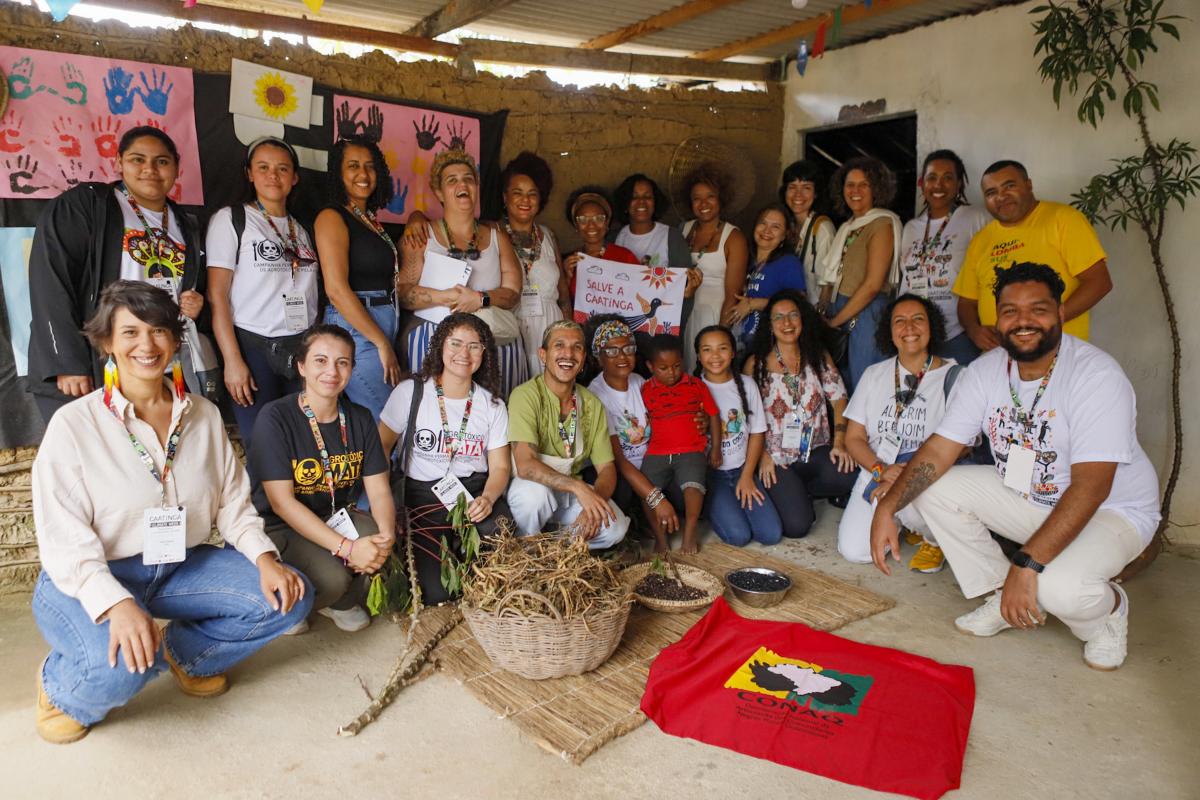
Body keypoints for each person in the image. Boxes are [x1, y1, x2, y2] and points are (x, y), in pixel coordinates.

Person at [30, 281, 309, 744]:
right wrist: (117, 603)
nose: (147, 345)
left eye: (159, 331)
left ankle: (184, 656)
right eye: (131, 333)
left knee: (289, 597)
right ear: (107, 342)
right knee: (123, 668)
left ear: (176, 340)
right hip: (93, 574)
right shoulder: (74, 424)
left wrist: (265, 558)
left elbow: (234, 503)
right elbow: (64, 538)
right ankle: (60, 685)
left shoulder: (201, 414)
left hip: (181, 564)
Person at [871, 263, 1159, 671]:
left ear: (1060, 314)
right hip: (1030, 495)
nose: (1023, 321)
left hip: (1111, 511)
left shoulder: (1096, 376)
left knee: (1061, 590)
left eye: (1037, 309)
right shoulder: (986, 371)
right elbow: (939, 450)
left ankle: (1108, 613)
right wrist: (888, 508)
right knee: (930, 488)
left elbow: (1092, 487)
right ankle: (999, 589)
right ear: (997, 319)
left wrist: (1027, 566)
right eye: (1010, 311)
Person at [27, 126, 207, 422]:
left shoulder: (184, 223)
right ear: (119, 162)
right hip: (97, 360)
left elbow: (189, 286)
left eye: (162, 161)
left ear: (176, 168)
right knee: (94, 459)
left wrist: (196, 306)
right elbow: (50, 280)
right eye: (138, 159)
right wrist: (68, 362)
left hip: (156, 360)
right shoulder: (88, 205)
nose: (150, 169)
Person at [250, 325, 395, 633]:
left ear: (352, 369)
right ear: (301, 366)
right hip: (278, 526)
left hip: (331, 516)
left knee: (374, 534)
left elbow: (379, 490)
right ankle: (293, 603)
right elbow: (281, 503)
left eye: (342, 362)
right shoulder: (276, 417)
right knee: (334, 575)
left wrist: (386, 538)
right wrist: (347, 549)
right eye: (320, 360)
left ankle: (336, 601)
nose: (332, 370)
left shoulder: (360, 418)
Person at [379, 313, 513, 605]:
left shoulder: (491, 405)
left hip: (473, 490)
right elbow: (381, 450)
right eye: (455, 343)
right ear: (440, 346)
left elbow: (500, 466)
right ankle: (447, 551)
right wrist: (387, 505)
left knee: (499, 529)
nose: (464, 353)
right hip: (422, 494)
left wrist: (488, 498)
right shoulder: (410, 392)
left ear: (484, 353)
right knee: (437, 592)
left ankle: (463, 551)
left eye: (474, 346)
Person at [207, 136, 320, 447]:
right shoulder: (232, 219)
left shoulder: (303, 228)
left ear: (294, 177)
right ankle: (261, 498)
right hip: (253, 347)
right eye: (264, 167)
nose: (273, 175)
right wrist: (232, 360)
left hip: (300, 348)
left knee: (302, 443)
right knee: (263, 445)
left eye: (283, 168)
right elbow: (217, 296)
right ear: (249, 173)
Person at [838, 294, 963, 571]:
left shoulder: (955, 376)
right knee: (855, 550)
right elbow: (854, 438)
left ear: (932, 327)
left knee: (911, 497)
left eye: (918, 319)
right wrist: (880, 469)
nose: (909, 328)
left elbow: (963, 445)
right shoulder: (874, 374)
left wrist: (908, 471)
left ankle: (932, 537)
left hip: (927, 473)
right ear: (890, 332)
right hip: (877, 468)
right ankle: (903, 520)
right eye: (900, 321)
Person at [397, 150, 527, 398]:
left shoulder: (498, 238)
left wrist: (480, 298)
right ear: (439, 193)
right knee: (435, 414)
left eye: (468, 178)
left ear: (476, 186)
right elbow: (402, 292)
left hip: (492, 341)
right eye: (452, 180)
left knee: (494, 414)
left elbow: (512, 293)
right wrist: (446, 297)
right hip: (433, 340)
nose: (462, 184)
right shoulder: (422, 236)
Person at [954, 160, 1112, 351]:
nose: (1001, 197)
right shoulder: (981, 240)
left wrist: (1046, 323)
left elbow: (1099, 282)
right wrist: (974, 330)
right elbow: (966, 302)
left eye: (1009, 186)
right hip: (999, 357)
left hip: (1058, 351)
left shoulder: (1064, 220)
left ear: (1028, 185)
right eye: (991, 193)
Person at [506, 321, 629, 548]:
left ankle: (555, 550)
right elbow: (525, 465)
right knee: (534, 498)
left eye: (577, 347)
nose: (568, 354)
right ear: (543, 355)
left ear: (583, 360)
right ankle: (527, 546)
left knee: (615, 528)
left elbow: (607, 469)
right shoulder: (525, 395)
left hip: (568, 494)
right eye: (559, 345)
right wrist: (578, 488)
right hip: (533, 486)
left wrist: (594, 503)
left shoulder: (592, 404)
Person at [744, 290, 856, 539]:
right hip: (775, 457)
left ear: (803, 320)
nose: (787, 323)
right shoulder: (756, 364)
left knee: (850, 474)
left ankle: (800, 490)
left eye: (793, 315)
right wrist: (762, 455)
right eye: (779, 317)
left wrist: (839, 443)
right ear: (770, 326)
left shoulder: (817, 355)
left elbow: (839, 399)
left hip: (813, 449)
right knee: (797, 527)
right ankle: (791, 492)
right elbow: (747, 418)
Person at [313, 135, 399, 421]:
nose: (363, 174)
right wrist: (380, 342)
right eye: (353, 166)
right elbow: (336, 289)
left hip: (381, 323)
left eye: (370, 166)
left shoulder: (369, 219)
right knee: (388, 421)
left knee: (385, 421)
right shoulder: (332, 217)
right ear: (338, 172)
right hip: (356, 329)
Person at [586, 317, 681, 540]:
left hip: (649, 464)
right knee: (624, 492)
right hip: (618, 470)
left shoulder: (640, 382)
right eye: (612, 351)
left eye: (628, 348)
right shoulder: (595, 395)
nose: (622, 356)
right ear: (599, 358)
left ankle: (644, 518)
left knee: (684, 491)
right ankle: (632, 526)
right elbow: (617, 460)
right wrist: (656, 498)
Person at [898, 150, 990, 365]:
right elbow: (906, 281)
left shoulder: (976, 218)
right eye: (932, 178)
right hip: (916, 336)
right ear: (922, 184)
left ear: (959, 184)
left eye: (948, 178)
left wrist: (977, 327)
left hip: (958, 334)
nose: (938, 185)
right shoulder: (911, 227)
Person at [818, 157, 902, 391]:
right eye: (849, 184)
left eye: (863, 184)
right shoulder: (848, 227)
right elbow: (832, 277)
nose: (855, 190)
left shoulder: (882, 224)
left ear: (877, 188)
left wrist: (835, 321)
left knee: (864, 385)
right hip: (841, 311)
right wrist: (824, 312)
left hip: (866, 315)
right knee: (840, 385)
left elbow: (873, 284)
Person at [695, 325, 783, 548]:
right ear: (698, 355)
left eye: (722, 348)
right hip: (710, 476)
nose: (715, 356)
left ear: (733, 352)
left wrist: (746, 476)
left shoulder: (747, 384)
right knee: (738, 536)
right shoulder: (692, 388)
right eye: (707, 349)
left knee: (770, 534)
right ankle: (710, 505)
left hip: (741, 469)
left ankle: (730, 501)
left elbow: (756, 433)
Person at [639, 334, 722, 553]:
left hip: (691, 449)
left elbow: (713, 415)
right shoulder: (645, 390)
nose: (672, 373)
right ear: (650, 366)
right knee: (647, 491)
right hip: (657, 451)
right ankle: (660, 538)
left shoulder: (696, 385)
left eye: (676, 366)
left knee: (694, 486)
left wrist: (715, 448)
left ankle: (690, 532)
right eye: (663, 368)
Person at [680, 164, 748, 372]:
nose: (703, 203)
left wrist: (720, 334)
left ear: (721, 199)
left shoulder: (734, 237)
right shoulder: (684, 229)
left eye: (710, 196)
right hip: (687, 313)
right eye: (696, 198)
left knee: (711, 368)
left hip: (715, 315)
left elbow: (732, 295)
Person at [612, 173, 701, 328]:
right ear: (625, 204)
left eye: (648, 197)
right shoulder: (617, 238)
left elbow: (684, 287)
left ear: (655, 202)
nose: (641, 202)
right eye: (634, 197)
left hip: (662, 325)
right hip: (625, 325)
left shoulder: (671, 236)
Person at [724, 204, 806, 350]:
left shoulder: (788, 262)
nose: (767, 230)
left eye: (776, 227)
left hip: (770, 344)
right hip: (743, 341)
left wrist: (753, 304)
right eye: (763, 223)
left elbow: (799, 302)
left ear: (785, 235)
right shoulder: (748, 260)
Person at [562, 187, 640, 301]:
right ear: (576, 225)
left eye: (599, 218)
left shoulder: (625, 257)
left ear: (607, 222)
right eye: (583, 219)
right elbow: (562, 304)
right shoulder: (571, 263)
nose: (591, 225)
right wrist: (566, 278)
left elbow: (642, 293)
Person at [779, 160, 836, 299]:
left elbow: (827, 284)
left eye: (806, 188)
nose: (798, 194)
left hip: (810, 311)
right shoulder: (785, 225)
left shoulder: (822, 229)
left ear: (816, 193)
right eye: (792, 187)